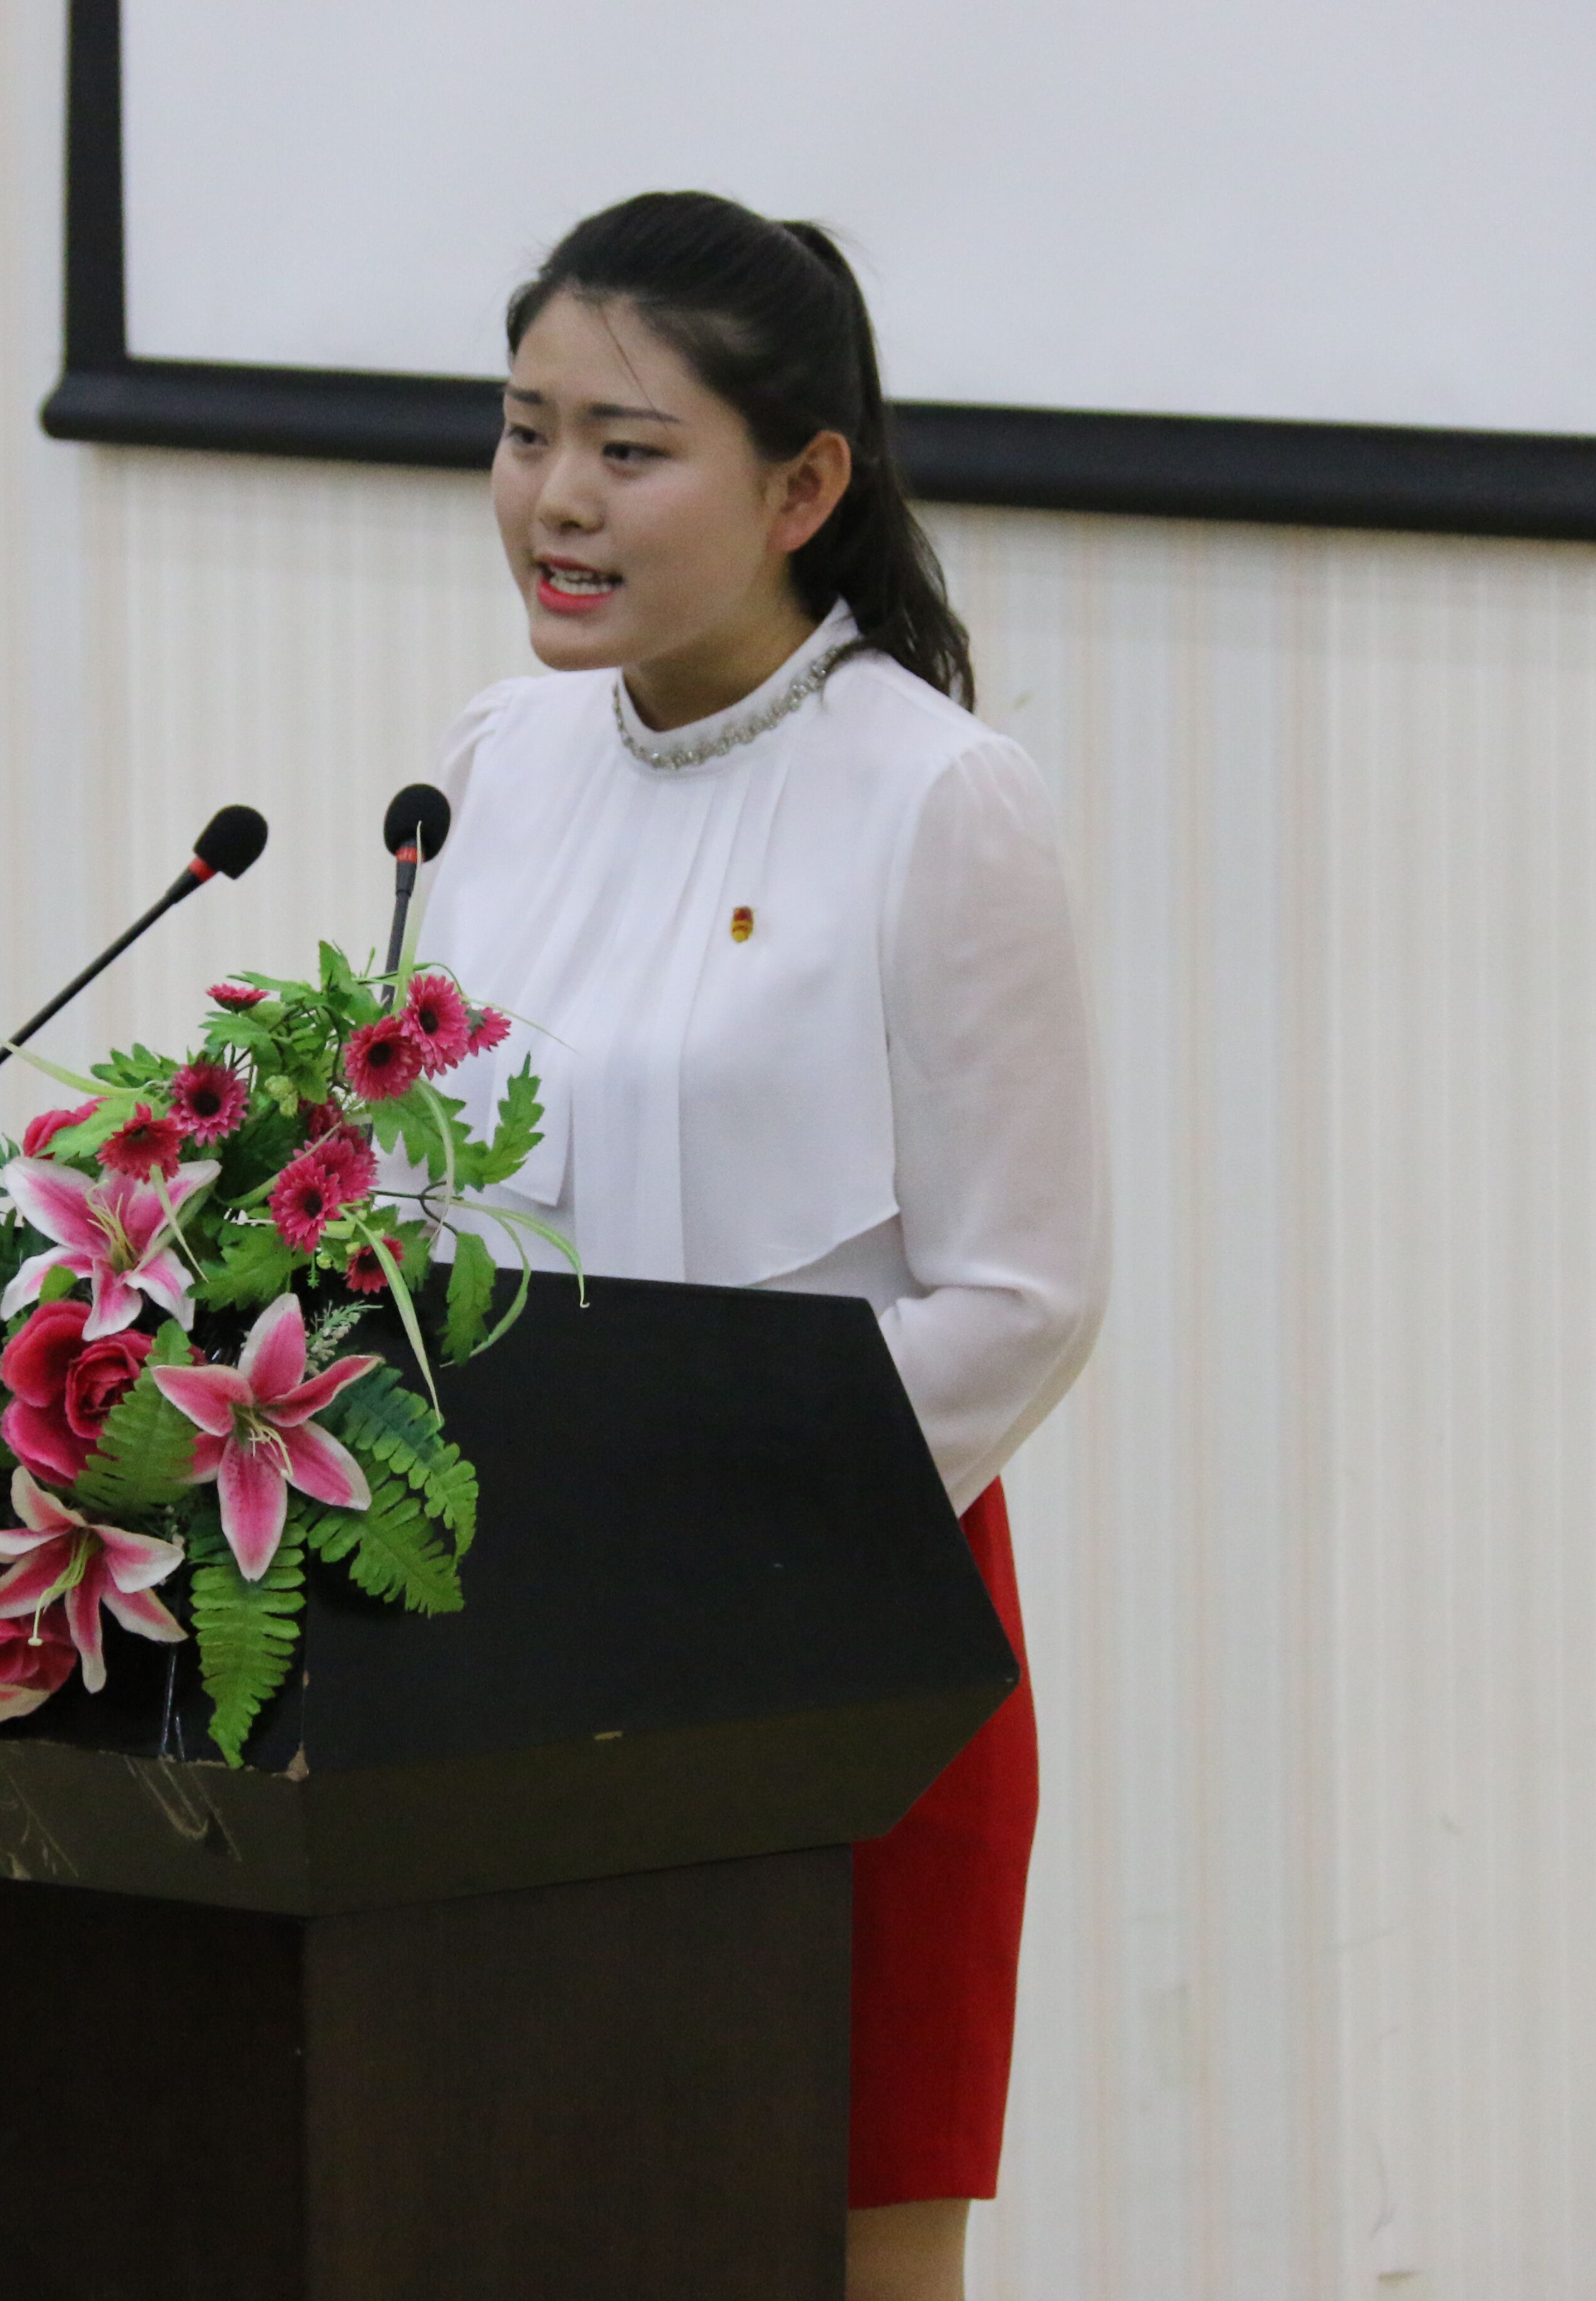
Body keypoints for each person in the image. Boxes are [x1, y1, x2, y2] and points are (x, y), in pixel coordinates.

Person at [412, 190, 1108, 2301]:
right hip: (497, 1636)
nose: (557, 498)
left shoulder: (939, 798)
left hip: (832, 1648)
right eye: (526, 430)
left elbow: (1025, 1295)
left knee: (824, 2245)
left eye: (629, 449)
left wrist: (692, 1537)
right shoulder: (496, 761)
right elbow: (416, 1185)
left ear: (806, 487)